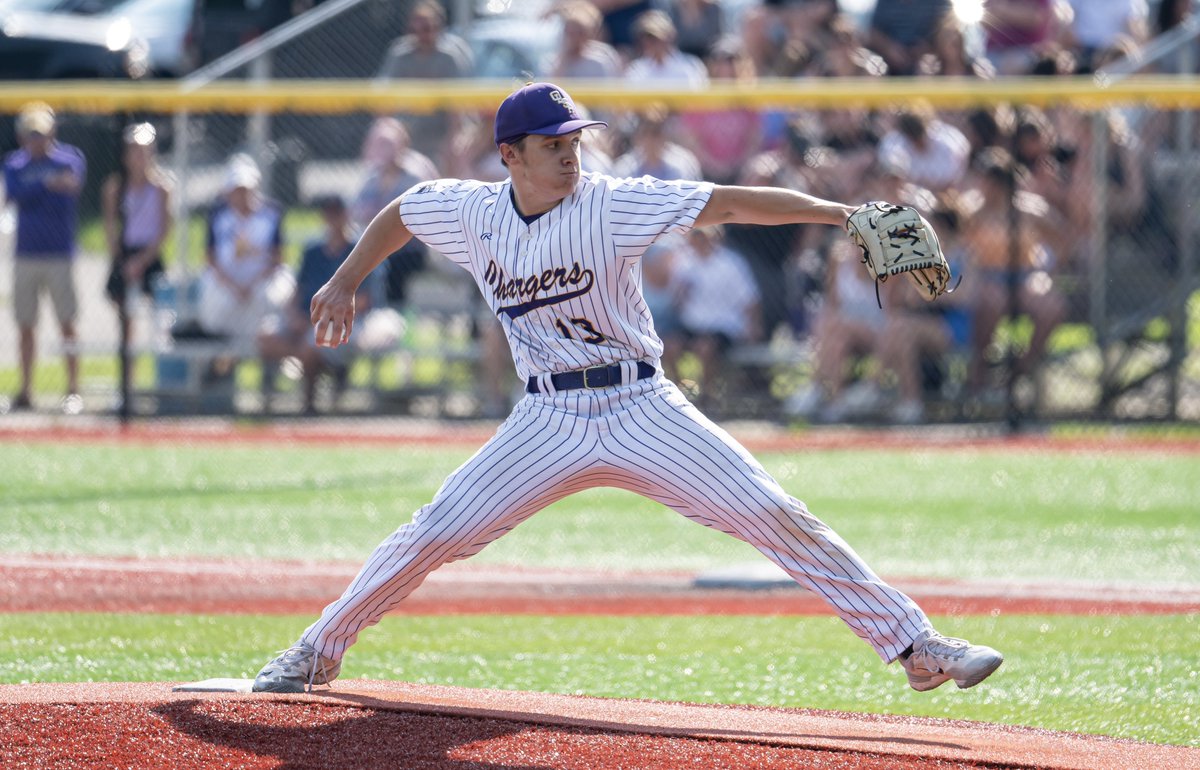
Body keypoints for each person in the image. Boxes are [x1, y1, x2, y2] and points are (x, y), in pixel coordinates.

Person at [250, 82, 1003, 696]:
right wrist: (345, 279)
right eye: (553, 145)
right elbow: (402, 210)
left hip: (641, 405)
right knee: (438, 529)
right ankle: (318, 650)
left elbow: (729, 202)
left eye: (575, 140)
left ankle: (914, 646)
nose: (570, 155)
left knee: (776, 512)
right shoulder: (473, 211)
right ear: (509, 154)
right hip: (547, 415)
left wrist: (840, 214)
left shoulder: (610, 204)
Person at [257, 195, 386, 415]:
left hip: (344, 321)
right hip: (308, 318)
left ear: (346, 216)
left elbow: (364, 300)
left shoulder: (360, 249)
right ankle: (323, 368)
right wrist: (294, 316)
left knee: (312, 344)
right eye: (329, 214)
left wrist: (316, 320)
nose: (333, 219)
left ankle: (309, 403)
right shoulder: (313, 251)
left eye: (337, 213)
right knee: (266, 336)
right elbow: (297, 292)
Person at [3, 102, 86, 414]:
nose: (37, 139)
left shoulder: (70, 158)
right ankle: (26, 391)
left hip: (59, 254)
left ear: (52, 130)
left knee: (67, 322)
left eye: (41, 132)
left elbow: (71, 187)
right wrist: (47, 184)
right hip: (26, 254)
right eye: (31, 133)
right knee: (25, 325)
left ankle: (73, 390)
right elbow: (15, 195)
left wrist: (35, 187)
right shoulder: (14, 164)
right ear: (23, 135)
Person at [196, 154, 294, 352]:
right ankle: (222, 360)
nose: (241, 196)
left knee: (271, 300)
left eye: (245, 190)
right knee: (219, 303)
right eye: (236, 190)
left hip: (261, 280)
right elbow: (211, 258)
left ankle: (269, 357)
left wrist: (251, 284)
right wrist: (233, 286)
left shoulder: (271, 213)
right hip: (227, 282)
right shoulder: (218, 216)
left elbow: (277, 258)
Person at [101, 122, 172, 344]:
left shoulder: (162, 187)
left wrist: (142, 261)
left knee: (160, 319)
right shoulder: (115, 187)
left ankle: (159, 371)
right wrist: (121, 259)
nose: (139, 156)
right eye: (134, 150)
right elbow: (110, 227)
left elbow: (164, 229)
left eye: (144, 151)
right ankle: (128, 375)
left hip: (149, 255)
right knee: (125, 319)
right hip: (125, 254)